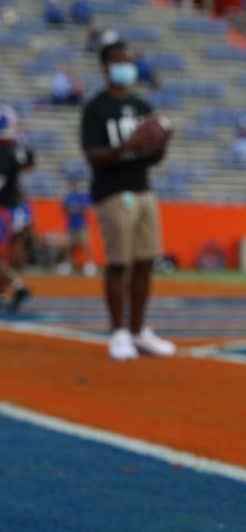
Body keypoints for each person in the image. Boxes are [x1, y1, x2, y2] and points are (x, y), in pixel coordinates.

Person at [80, 40, 175, 360]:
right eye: (120, 61)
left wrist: (160, 144)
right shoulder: (96, 108)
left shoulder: (141, 106)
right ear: (106, 67)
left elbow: (152, 158)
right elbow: (93, 157)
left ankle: (138, 331)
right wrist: (126, 147)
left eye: (129, 60)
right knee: (119, 264)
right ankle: (117, 333)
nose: (127, 66)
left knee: (146, 261)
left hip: (142, 188)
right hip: (113, 192)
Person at [0, 104, 33, 312]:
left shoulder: (3, 152)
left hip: (4, 209)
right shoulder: (17, 149)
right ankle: (3, 293)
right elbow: (29, 161)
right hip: (18, 206)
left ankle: (17, 287)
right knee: (9, 256)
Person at [59, 174, 97, 276]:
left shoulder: (82, 196)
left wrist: (74, 209)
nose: (74, 185)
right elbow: (65, 209)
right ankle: (68, 264)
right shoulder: (68, 196)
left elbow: (84, 208)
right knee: (68, 246)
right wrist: (75, 209)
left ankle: (89, 264)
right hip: (71, 224)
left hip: (81, 224)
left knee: (86, 244)